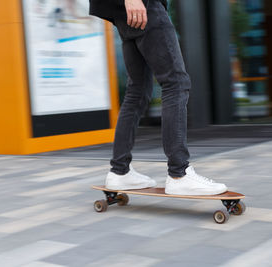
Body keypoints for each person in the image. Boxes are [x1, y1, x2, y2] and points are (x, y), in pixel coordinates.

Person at [89, 0, 228, 195]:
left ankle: (120, 172)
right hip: (143, 5)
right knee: (176, 82)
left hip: (121, 10)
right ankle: (179, 174)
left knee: (137, 91)